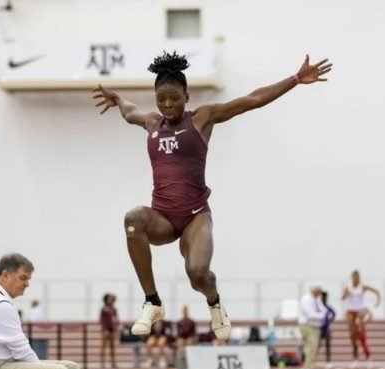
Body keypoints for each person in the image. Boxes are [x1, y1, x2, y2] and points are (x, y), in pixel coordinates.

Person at [93, 51, 332, 344]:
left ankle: (215, 303)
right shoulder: (152, 123)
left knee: (197, 273)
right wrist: (117, 98)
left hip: (195, 216)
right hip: (163, 218)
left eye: (174, 98)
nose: (167, 105)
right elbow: (130, 111)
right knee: (132, 220)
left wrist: (295, 79)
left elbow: (251, 100)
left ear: (187, 96)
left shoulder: (202, 118)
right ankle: (152, 302)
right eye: (161, 98)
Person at [341, 270, 381, 364]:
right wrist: (345, 294)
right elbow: (343, 297)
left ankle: (367, 353)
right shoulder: (348, 287)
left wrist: (378, 301)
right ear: (352, 278)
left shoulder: (362, 287)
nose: (355, 279)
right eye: (354, 277)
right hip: (351, 310)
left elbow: (376, 291)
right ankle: (355, 354)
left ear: (359, 277)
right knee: (352, 334)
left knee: (361, 333)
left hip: (360, 310)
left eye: (357, 277)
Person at [297, 285, 327, 369]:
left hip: (313, 326)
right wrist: (322, 315)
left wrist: (322, 311)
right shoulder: (307, 299)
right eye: (319, 292)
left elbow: (323, 309)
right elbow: (310, 314)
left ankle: (308, 368)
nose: (320, 294)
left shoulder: (316, 299)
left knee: (311, 348)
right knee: (312, 347)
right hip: (307, 326)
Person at [99, 293, 119, 369]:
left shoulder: (114, 309)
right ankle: (102, 362)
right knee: (103, 346)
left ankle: (113, 362)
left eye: (112, 299)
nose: (111, 301)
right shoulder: (103, 309)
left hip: (112, 330)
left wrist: (116, 328)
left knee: (112, 347)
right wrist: (104, 329)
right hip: (105, 330)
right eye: (109, 299)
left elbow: (116, 319)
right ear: (106, 300)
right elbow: (101, 320)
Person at [319, 291, 337, 364]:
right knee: (317, 345)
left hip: (326, 328)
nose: (324, 299)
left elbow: (334, 313)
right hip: (319, 328)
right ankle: (313, 359)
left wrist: (330, 320)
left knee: (328, 344)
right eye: (323, 298)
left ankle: (328, 360)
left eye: (325, 298)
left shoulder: (328, 307)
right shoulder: (319, 307)